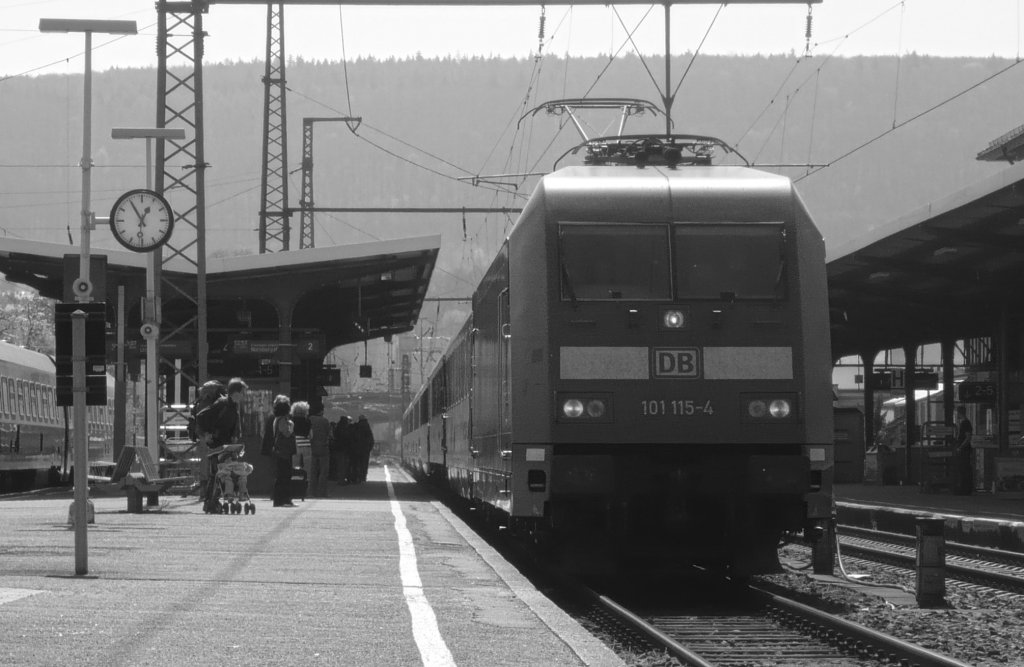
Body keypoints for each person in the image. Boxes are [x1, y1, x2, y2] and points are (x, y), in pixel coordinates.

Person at [196, 377, 248, 512]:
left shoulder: (234, 406)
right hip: (216, 444)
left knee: (222, 473)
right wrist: (206, 434)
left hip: (226, 446)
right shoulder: (222, 403)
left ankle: (212, 502)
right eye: (243, 392)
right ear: (236, 392)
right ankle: (210, 503)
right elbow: (201, 416)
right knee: (217, 473)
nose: (244, 395)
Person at [262, 394, 297, 507]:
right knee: (284, 475)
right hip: (283, 451)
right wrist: (291, 426)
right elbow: (286, 433)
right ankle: (283, 499)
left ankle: (281, 499)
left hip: (279, 451)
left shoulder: (276, 418)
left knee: (281, 475)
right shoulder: (282, 420)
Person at [307, 403, 332, 497]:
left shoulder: (309, 420)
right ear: (321, 410)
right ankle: (322, 492)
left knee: (312, 471)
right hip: (323, 448)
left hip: (312, 448)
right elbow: (330, 435)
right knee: (323, 472)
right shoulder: (325, 421)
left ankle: (311, 492)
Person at [954, 406, 974, 495]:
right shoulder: (963, 423)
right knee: (963, 469)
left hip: (964, 449)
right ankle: (965, 488)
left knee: (964, 469)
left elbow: (968, 437)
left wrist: (961, 447)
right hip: (963, 448)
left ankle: (965, 489)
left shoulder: (965, 423)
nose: (956, 414)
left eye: (956, 412)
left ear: (959, 413)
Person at [352, 415, 375, 484]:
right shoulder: (367, 427)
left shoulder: (356, 426)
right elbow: (371, 439)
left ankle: (357, 477)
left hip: (357, 449)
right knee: (364, 464)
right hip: (365, 450)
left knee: (357, 463)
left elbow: (353, 438)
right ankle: (363, 477)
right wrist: (369, 448)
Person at [333, 415, 354, 484]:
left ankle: (340, 479)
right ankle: (343, 479)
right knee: (344, 465)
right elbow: (348, 438)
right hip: (345, 449)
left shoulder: (337, 428)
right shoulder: (346, 429)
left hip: (338, 449)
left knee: (340, 465)